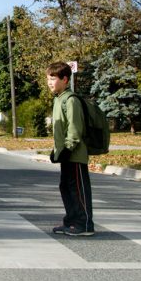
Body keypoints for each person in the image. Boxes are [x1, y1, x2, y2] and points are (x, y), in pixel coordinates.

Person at [46, 62, 95, 236]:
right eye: (48, 79)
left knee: (78, 190)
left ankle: (85, 224)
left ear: (65, 79)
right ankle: (71, 221)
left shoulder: (71, 100)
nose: (49, 82)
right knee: (66, 188)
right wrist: (56, 151)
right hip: (65, 155)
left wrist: (67, 148)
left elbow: (75, 128)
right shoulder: (59, 99)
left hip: (75, 155)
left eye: (53, 79)